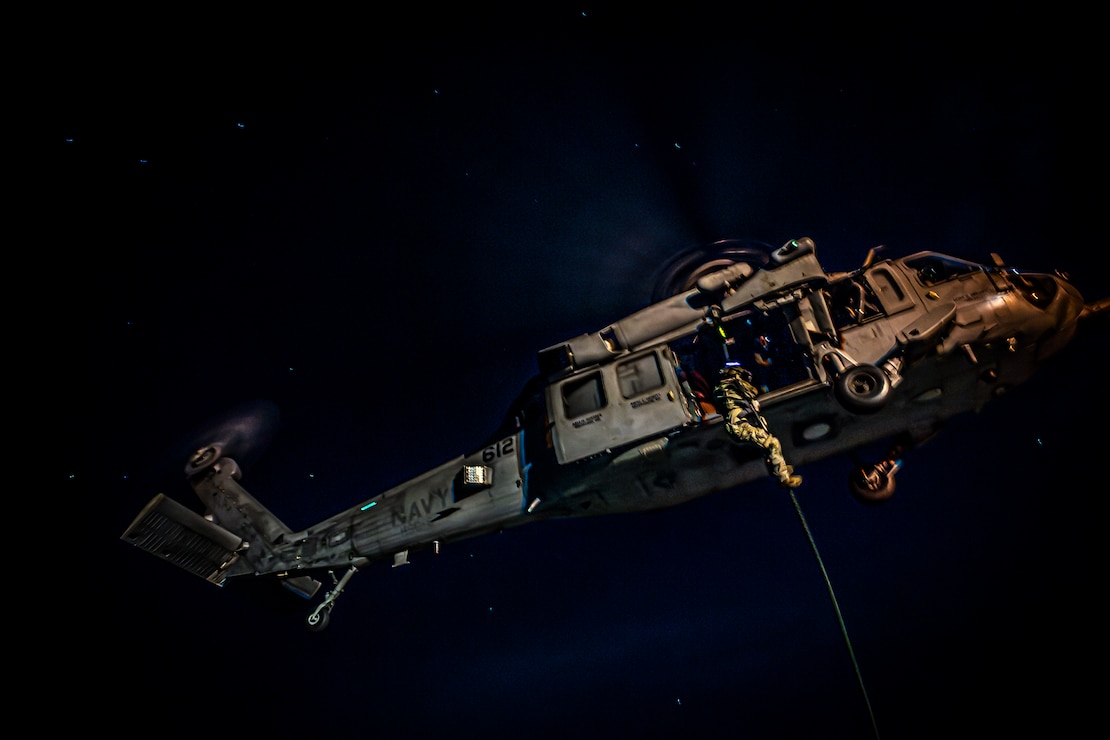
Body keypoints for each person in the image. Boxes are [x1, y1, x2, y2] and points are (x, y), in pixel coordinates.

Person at [714, 363, 803, 488]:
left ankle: (777, 467)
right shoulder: (734, 385)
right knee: (772, 443)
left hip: (738, 426)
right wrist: (751, 402)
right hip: (739, 427)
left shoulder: (720, 390)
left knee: (766, 444)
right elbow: (751, 393)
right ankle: (783, 478)